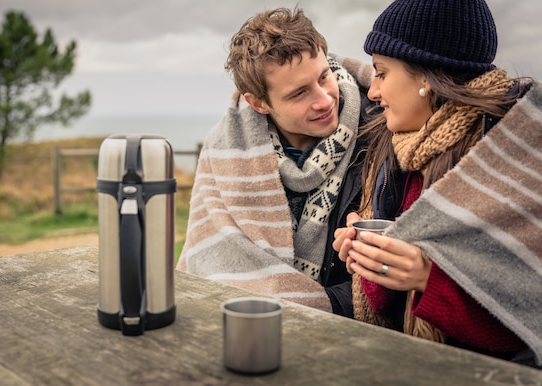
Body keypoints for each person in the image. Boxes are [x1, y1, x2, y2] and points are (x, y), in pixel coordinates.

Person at [333, 0, 542, 368]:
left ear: (426, 79)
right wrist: (369, 259)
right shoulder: (392, 148)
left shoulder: (508, 160)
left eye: (382, 73)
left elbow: (526, 319)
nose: (372, 91)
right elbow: (384, 305)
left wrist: (430, 279)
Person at [176, 7, 374, 315]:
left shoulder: (378, 134)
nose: (323, 99)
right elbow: (212, 257)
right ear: (258, 103)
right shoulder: (226, 148)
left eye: (324, 76)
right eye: (299, 94)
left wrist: (326, 307)